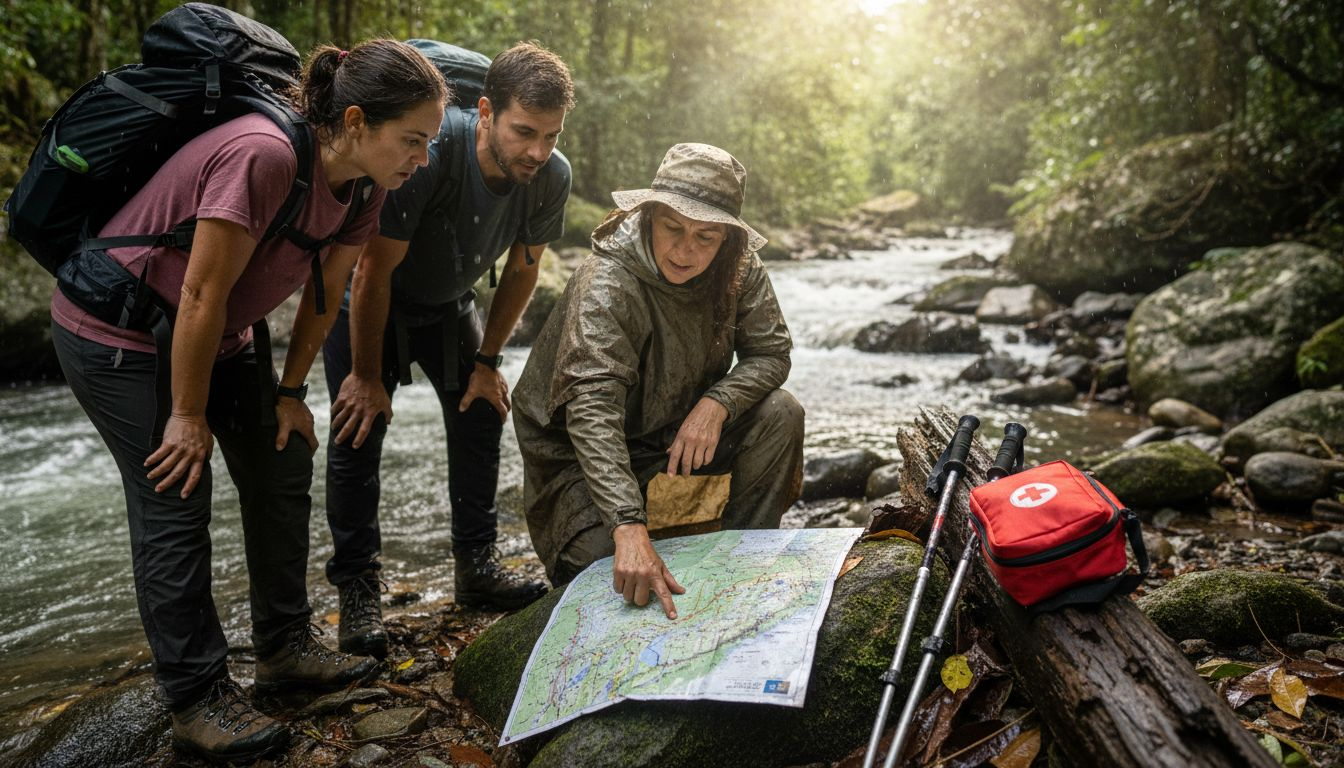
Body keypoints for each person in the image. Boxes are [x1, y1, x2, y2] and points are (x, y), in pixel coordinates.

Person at [50, 40, 447, 764]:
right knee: (176, 485)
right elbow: (199, 288)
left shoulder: (366, 187)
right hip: (118, 328)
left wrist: (291, 393)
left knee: (283, 452)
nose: (422, 158)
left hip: (218, 330)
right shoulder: (262, 155)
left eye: (429, 143)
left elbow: (325, 293)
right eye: (412, 140)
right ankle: (196, 698)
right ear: (355, 121)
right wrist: (187, 415)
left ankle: (285, 648)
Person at [322, 41, 574, 655]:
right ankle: (358, 592)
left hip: (449, 304)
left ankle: (476, 567)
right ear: (485, 112)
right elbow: (370, 273)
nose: (537, 151)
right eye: (523, 132)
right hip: (371, 306)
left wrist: (487, 363)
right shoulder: (430, 157)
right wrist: (364, 374)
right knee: (359, 431)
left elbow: (522, 271)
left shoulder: (550, 177)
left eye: (550, 135)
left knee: (482, 408)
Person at [512, 142, 805, 620]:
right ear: (649, 216)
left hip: (673, 428)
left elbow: (771, 352)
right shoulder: (607, 283)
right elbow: (592, 411)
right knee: (606, 579)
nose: (685, 250)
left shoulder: (740, 265)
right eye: (673, 228)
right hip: (579, 456)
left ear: (728, 240)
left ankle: (746, 553)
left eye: (706, 238)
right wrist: (627, 528)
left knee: (781, 412)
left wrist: (719, 402)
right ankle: (618, 530)